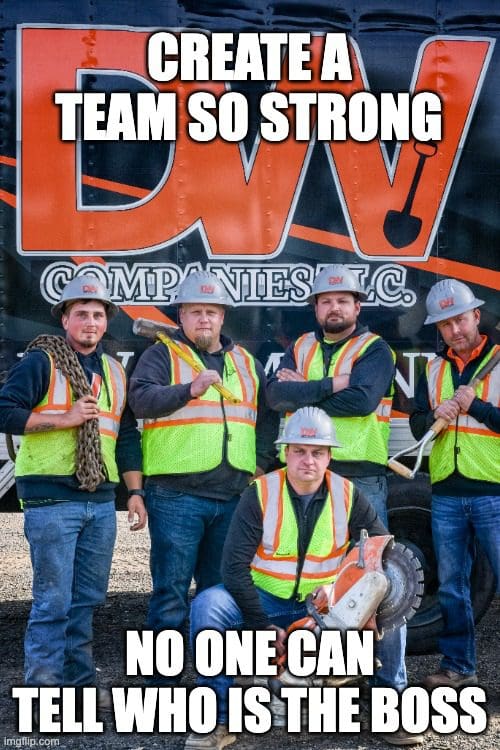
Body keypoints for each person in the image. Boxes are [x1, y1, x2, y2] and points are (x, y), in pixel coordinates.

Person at [186, 407, 423, 750]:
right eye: (299, 450)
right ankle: (218, 719)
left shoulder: (349, 494)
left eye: (317, 452)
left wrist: (358, 608)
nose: (307, 460)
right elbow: (233, 568)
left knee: (389, 611)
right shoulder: (260, 492)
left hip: (323, 604)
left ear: (329, 456)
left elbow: (383, 555)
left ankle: (393, 710)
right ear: (285, 453)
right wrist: (260, 624)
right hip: (266, 599)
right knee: (209, 604)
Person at [0, 274, 146, 696]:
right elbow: (5, 412)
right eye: (80, 313)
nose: (90, 321)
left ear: (106, 323)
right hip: (50, 500)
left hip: (100, 501)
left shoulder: (115, 373)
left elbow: (128, 434)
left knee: (87, 601)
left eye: (97, 315)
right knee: (53, 602)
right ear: (65, 320)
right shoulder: (40, 362)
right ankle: (44, 690)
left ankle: (79, 684)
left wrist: (134, 492)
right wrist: (63, 420)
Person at [266, 263, 407, 697]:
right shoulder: (303, 345)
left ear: (357, 305)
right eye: (325, 300)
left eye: (342, 300)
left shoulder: (376, 349)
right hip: (306, 479)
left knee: (376, 578)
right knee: (315, 578)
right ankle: (325, 674)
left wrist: (305, 387)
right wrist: (332, 383)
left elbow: (362, 401)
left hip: (360, 477)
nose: (333, 307)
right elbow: (274, 396)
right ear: (315, 308)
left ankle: (392, 689)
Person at [128, 270, 276, 674]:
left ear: (223, 316)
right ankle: (159, 685)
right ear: (181, 315)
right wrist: (188, 389)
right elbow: (139, 400)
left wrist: (260, 464)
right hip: (177, 496)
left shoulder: (246, 362)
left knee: (222, 594)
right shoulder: (163, 354)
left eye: (211, 311)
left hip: (232, 498)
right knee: (170, 594)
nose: (204, 319)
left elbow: (266, 419)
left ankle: (219, 683)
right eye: (195, 312)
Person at [410, 278, 499, 688]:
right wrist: (434, 417)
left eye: (460, 320)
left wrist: (475, 405)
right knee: (451, 587)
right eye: (445, 324)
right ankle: (459, 668)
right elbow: (416, 425)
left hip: (493, 491)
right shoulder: (433, 368)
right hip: (446, 493)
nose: (454, 330)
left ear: (476, 316)